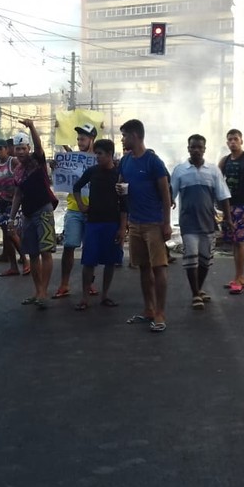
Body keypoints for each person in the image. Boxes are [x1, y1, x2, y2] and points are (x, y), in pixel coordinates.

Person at [117, 119, 172, 333]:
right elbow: (121, 184)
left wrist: (166, 223)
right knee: (143, 267)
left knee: (159, 267)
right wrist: (120, 189)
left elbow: (166, 194)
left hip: (154, 224)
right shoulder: (125, 161)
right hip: (135, 222)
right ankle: (148, 309)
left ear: (135, 136)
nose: (122, 139)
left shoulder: (153, 162)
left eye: (124, 135)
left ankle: (160, 313)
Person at [171, 135, 232, 310]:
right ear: (188, 149)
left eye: (199, 147)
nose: (196, 150)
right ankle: (195, 294)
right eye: (193, 147)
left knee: (205, 260)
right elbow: (169, 195)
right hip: (188, 223)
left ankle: (198, 288)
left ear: (205, 149)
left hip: (208, 223)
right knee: (191, 259)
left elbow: (223, 196)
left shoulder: (213, 171)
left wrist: (228, 218)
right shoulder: (180, 171)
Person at [72, 138, 125, 311]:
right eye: (96, 153)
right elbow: (77, 187)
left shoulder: (118, 174)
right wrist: (81, 205)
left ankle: (105, 295)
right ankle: (85, 297)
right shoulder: (92, 171)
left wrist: (122, 227)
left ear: (109, 154)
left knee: (110, 261)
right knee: (89, 261)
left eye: (100, 154)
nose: (97, 157)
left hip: (112, 222)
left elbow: (124, 203)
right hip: (93, 222)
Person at [10, 119, 57, 310]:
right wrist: (12, 218)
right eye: (18, 149)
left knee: (45, 251)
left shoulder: (36, 160)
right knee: (33, 253)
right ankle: (38, 291)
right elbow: (18, 195)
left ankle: (44, 292)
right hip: (28, 214)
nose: (20, 152)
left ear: (28, 148)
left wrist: (31, 127)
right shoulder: (18, 170)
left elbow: (39, 146)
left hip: (43, 211)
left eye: (23, 148)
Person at [53, 123, 99, 300]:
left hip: (93, 211)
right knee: (69, 246)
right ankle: (64, 284)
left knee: (90, 249)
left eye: (83, 138)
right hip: (73, 209)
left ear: (91, 139)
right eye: (78, 139)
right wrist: (55, 166)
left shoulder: (98, 158)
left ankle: (89, 284)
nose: (80, 141)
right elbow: (64, 163)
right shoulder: (72, 159)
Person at [218, 128, 244, 295]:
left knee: (240, 241)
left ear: (241, 141)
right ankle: (237, 277)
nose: (233, 142)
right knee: (234, 242)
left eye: (235, 139)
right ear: (227, 142)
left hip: (243, 207)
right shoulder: (224, 161)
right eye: (230, 140)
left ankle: (240, 277)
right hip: (229, 207)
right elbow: (218, 182)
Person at [0, 139, 28, 276]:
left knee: (11, 232)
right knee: (7, 236)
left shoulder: (12, 162)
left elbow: (25, 172)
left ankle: (25, 260)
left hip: (14, 203)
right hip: (1, 203)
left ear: (7, 149)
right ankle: (13, 266)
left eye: (1, 149)